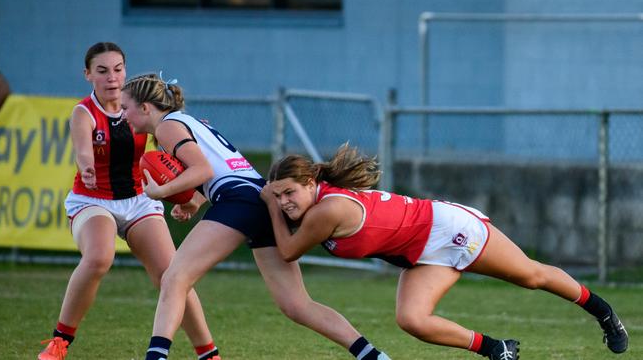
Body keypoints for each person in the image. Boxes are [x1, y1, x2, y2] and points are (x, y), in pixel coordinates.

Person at [260, 144, 629, 360]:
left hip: (449, 230)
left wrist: (267, 205)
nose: (284, 202)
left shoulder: (327, 210)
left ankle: (604, 312)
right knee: (412, 321)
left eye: (289, 193)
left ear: (312, 183)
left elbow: (289, 251)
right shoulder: (314, 206)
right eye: (277, 195)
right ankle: (498, 349)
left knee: (530, 276)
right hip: (420, 255)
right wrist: (276, 203)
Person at [120, 73, 390, 360]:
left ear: (146, 107)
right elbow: (217, 169)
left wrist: (162, 190)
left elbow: (203, 170)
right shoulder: (187, 121)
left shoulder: (166, 127)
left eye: (125, 107)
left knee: (174, 277)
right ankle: (372, 356)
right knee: (297, 305)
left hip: (241, 199)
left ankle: (157, 356)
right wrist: (196, 200)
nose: (123, 114)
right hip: (259, 198)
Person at [38, 43, 219, 360]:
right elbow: (83, 150)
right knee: (99, 258)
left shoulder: (139, 108)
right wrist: (87, 166)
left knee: (173, 275)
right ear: (88, 75)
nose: (112, 77)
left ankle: (208, 353)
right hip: (92, 200)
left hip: (139, 200)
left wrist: (191, 195)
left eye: (118, 68)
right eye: (102, 70)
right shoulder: (84, 112)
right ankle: (60, 341)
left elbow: (186, 153)